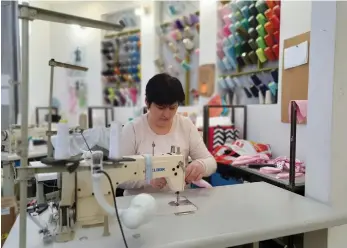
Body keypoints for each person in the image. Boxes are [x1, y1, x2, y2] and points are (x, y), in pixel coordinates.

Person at [119, 73, 217, 196]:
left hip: (178, 200)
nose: (167, 114)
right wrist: (147, 179)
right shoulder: (132, 129)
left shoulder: (186, 126)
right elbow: (119, 175)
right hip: (138, 206)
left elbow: (211, 162)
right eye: (161, 107)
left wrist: (201, 165)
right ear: (147, 103)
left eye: (173, 108)